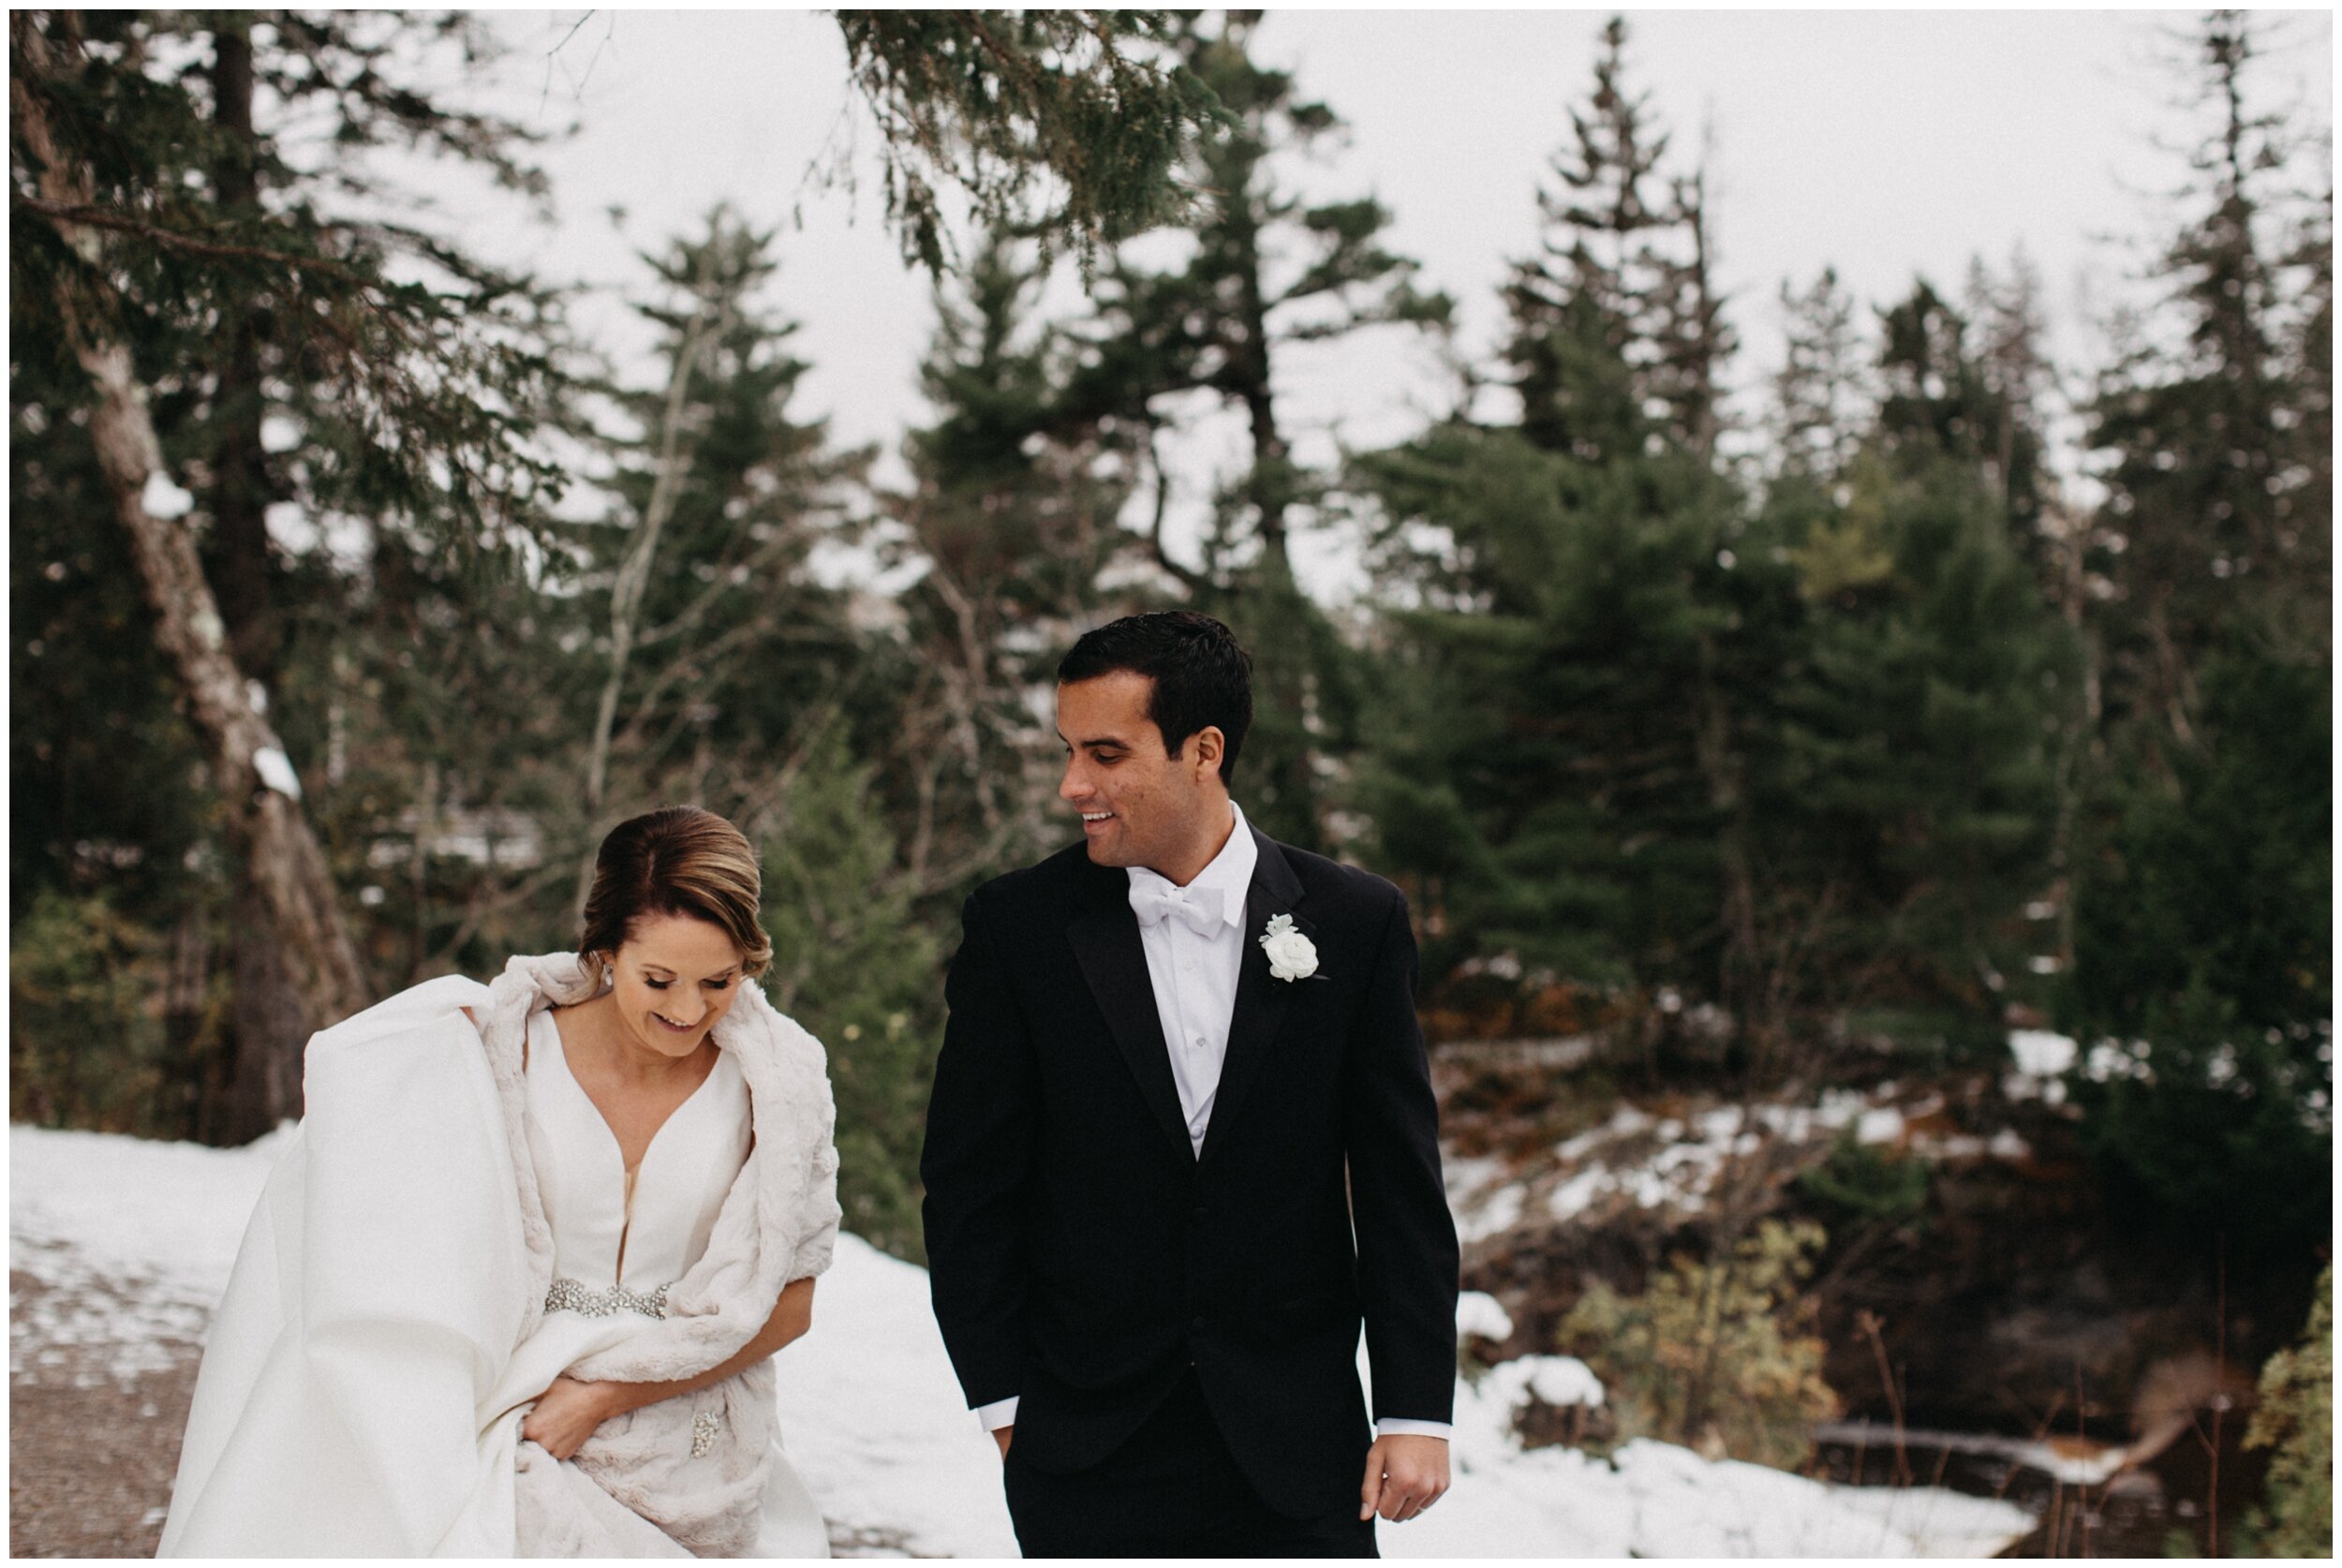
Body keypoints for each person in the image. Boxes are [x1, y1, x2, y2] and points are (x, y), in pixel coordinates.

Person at [920, 611, 1460, 1557]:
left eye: (1104, 753)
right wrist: (1007, 1407)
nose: (1070, 786)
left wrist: (1416, 1406)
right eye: (1067, 751)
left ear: (1203, 750)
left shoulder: (1357, 921)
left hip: (1299, 1443)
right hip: (1084, 1443)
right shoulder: (1018, 929)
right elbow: (969, 1187)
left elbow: (1397, 1185)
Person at [159, 806, 840, 1557]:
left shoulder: (780, 1087)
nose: (687, 1011)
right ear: (605, 950)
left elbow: (791, 1303)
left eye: (719, 980)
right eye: (659, 979)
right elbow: (397, 1219)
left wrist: (609, 1395)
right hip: (509, 1395)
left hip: (690, 1420)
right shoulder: (501, 1051)